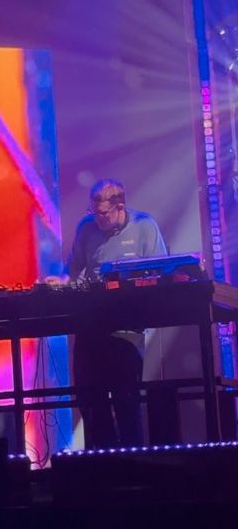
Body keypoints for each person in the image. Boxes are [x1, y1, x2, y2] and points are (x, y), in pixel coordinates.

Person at [66, 178, 167, 448]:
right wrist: (61, 283)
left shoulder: (144, 226)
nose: (97, 218)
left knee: (126, 401)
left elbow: (162, 273)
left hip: (126, 328)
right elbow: (73, 270)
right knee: (89, 398)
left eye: (102, 213)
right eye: (93, 212)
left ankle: (132, 459)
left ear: (120, 206)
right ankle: (103, 460)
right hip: (91, 325)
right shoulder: (86, 228)